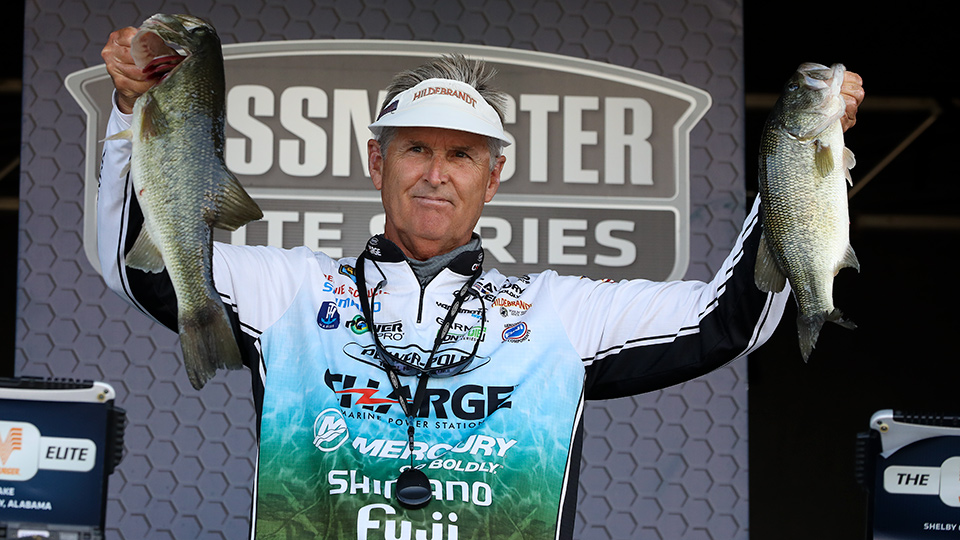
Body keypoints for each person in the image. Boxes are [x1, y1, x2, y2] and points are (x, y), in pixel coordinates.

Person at [99, 27, 864, 540]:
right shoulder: (290, 292)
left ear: (492, 179)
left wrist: (796, 162)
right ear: (377, 162)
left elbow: (728, 320)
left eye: (462, 155)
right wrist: (133, 111)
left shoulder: (559, 313)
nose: (436, 173)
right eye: (416, 149)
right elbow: (140, 264)